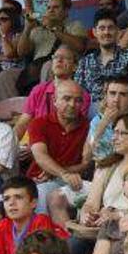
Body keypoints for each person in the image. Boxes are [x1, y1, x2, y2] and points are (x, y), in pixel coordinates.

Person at [27, 79, 91, 216]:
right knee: (42, 191)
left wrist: (61, 173)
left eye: (78, 100)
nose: (72, 104)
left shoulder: (88, 126)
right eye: (67, 99)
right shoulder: (39, 123)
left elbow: (86, 163)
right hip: (38, 180)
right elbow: (40, 155)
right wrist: (63, 173)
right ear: (54, 100)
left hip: (73, 182)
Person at [76, 9, 128, 109]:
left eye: (110, 28)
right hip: (92, 112)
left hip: (123, 109)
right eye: (102, 28)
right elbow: (78, 93)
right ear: (94, 32)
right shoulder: (85, 62)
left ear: (117, 31)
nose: (106, 32)